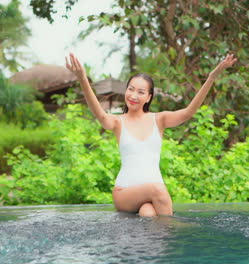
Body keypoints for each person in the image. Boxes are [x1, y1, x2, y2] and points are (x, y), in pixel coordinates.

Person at [65, 53, 237, 217]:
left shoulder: (159, 120)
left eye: (140, 92)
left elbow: (188, 112)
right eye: (131, 89)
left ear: (148, 97)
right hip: (125, 194)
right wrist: (82, 78)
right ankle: (178, 233)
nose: (133, 95)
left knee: (148, 213)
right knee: (158, 189)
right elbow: (101, 115)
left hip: (151, 197)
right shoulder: (118, 122)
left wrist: (211, 77)